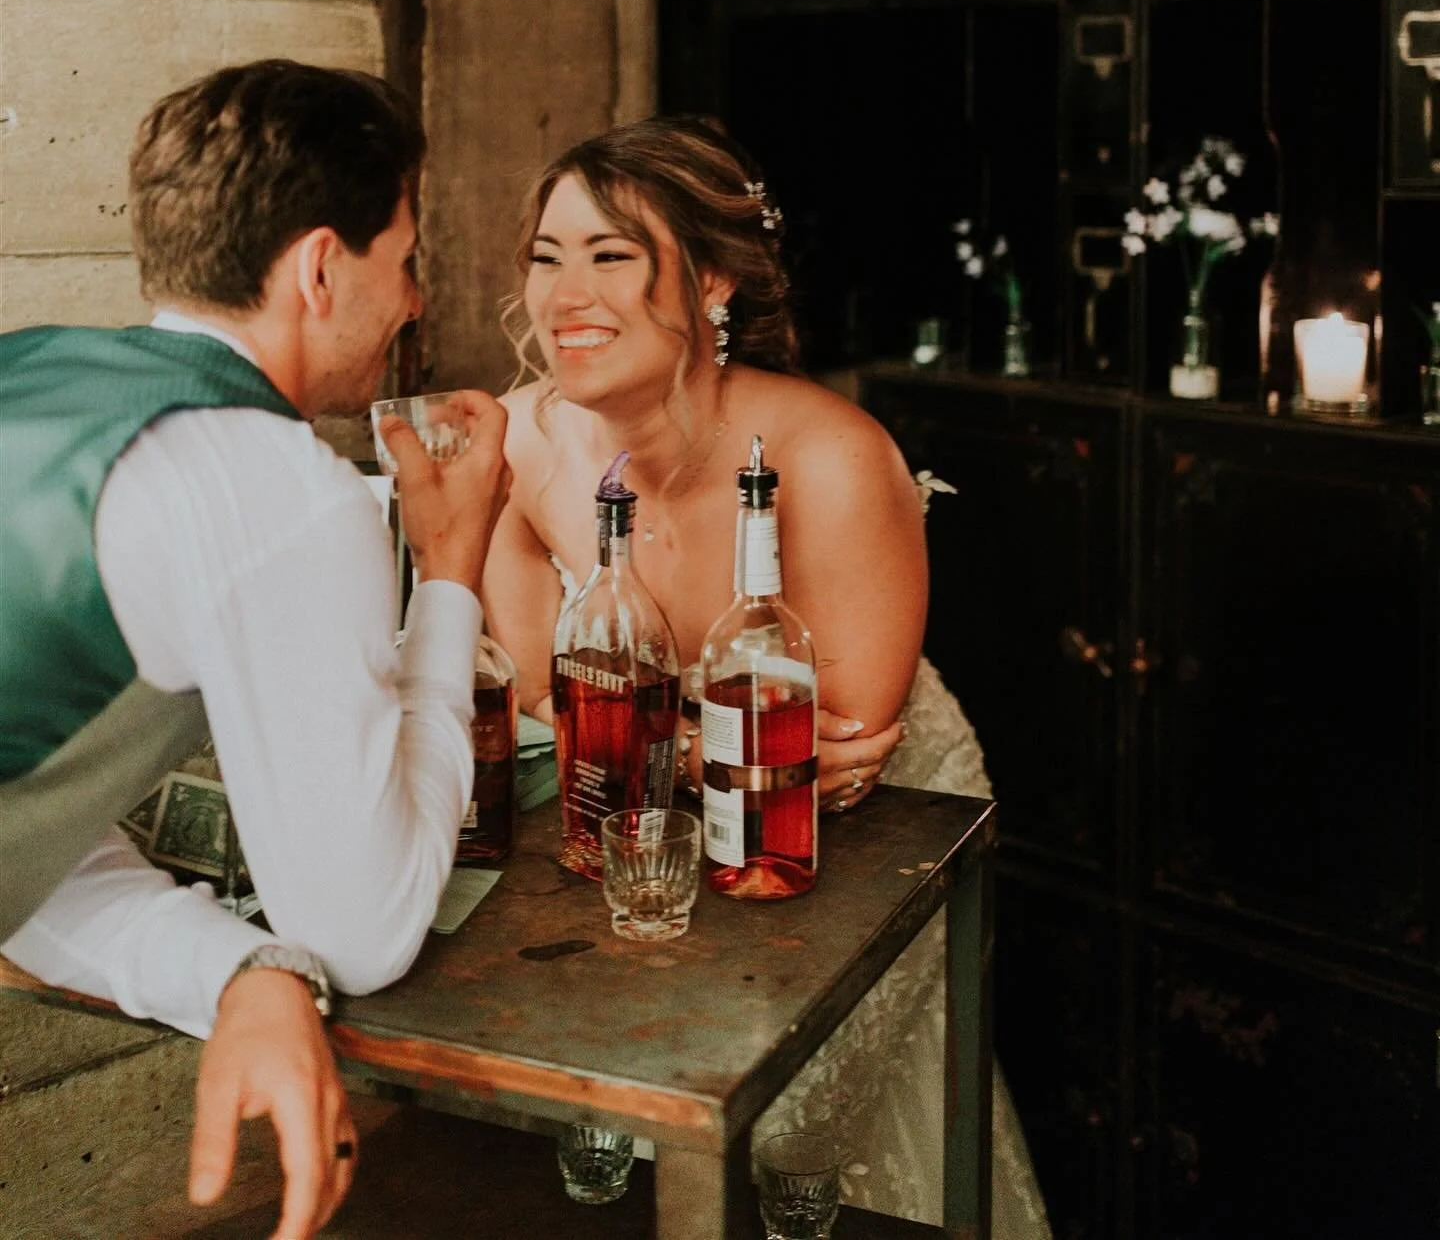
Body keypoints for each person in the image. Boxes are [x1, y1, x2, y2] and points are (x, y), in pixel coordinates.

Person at [480, 115, 1052, 1234]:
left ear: (715, 282)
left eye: (611, 255)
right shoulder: (527, 436)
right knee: (636, 1113)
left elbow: (831, 754)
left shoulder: (829, 454)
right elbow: (549, 693)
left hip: (874, 832)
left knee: (795, 1140)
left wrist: (639, 728)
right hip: (672, 819)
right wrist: (690, 742)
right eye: (547, 256)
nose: (564, 293)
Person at [0, 60, 509, 1240]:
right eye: (409, 259)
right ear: (321, 268)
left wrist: (242, 972)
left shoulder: (25, 368)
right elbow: (367, 927)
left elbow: (23, 853)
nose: (418, 302)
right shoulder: (275, 483)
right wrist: (449, 574)